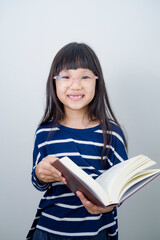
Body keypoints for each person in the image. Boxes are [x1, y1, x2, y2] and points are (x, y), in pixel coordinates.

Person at [27, 42, 128, 240]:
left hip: (97, 232)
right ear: (54, 82)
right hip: (49, 231)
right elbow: (38, 181)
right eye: (66, 76)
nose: (75, 85)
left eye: (85, 76)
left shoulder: (112, 134)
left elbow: (121, 190)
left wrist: (106, 206)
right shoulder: (44, 132)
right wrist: (40, 173)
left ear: (97, 81)